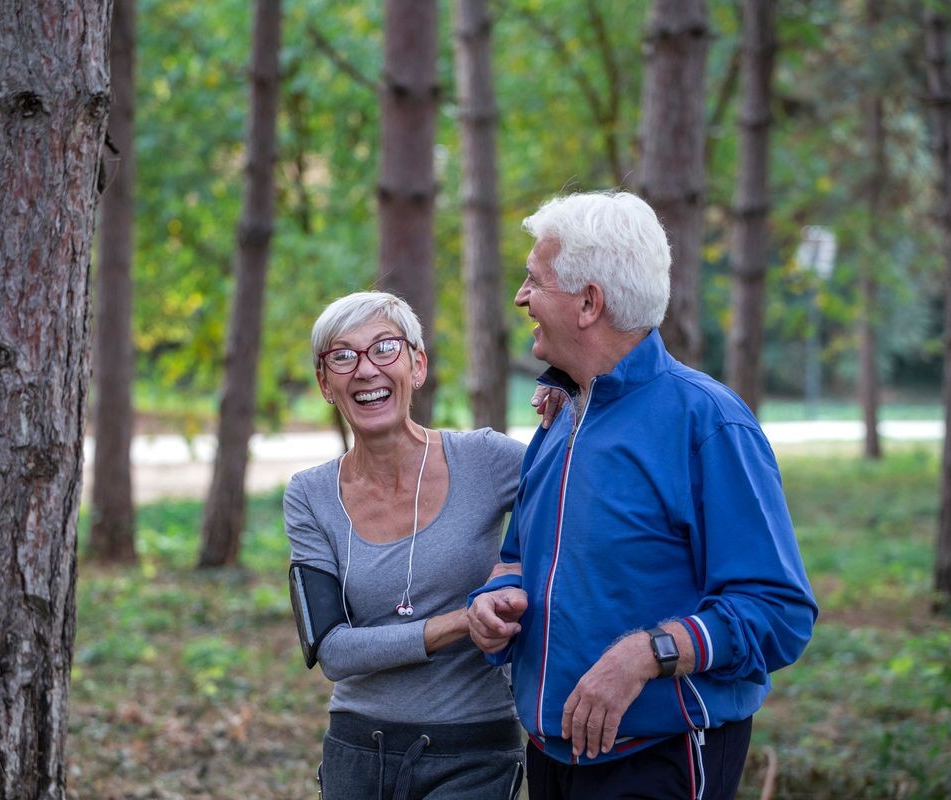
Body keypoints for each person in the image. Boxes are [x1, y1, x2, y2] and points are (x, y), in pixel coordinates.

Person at [466, 191, 818, 800]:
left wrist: (646, 654)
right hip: (551, 754)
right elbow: (517, 556)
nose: (521, 298)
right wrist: (496, 599)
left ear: (588, 303)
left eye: (533, 280)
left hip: (661, 757)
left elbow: (778, 613)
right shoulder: (560, 417)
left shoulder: (707, 424)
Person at [285, 291, 532, 800]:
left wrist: (567, 400)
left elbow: (581, 488)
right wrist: (466, 620)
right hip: (357, 751)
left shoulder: (484, 460)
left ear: (417, 366)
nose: (365, 370)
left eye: (384, 349)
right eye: (343, 356)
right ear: (325, 382)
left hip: (475, 750)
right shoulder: (310, 495)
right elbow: (332, 649)